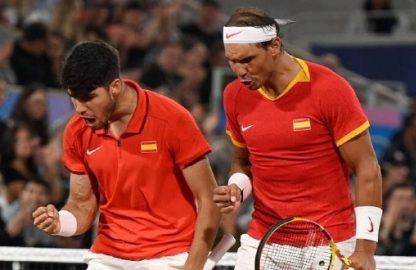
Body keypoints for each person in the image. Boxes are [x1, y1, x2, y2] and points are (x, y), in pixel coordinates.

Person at [213, 7, 382, 270]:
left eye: (247, 59)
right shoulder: (234, 95)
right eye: (232, 61)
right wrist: (237, 188)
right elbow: (243, 162)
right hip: (263, 239)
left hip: (330, 241)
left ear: (274, 46)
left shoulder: (329, 88)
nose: (239, 71)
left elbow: (367, 168)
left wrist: (365, 249)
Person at [32, 41, 220, 269]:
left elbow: (209, 199)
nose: (80, 108)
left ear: (115, 87)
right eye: (74, 97)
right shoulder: (76, 130)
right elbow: (81, 207)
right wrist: (59, 222)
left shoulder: (172, 119)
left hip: (170, 257)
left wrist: (194, 266)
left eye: (89, 97)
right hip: (108, 257)